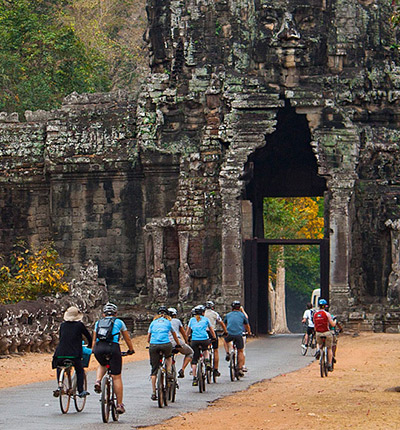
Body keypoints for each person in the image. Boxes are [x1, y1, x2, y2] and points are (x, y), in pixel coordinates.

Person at [92, 302, 135, 415]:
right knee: (116, 377)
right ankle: (119, 405)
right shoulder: (119, 322)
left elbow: (94, 340)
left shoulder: (98, 323)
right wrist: (131, 350)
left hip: (99, 348)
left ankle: (98, 381)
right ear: (116, 313)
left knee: (102, 364)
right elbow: (127, 339)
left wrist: (93, 350)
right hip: (113, 348)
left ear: (103, 314)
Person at [52, 306, 93, 398]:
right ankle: (81, 390)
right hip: (74, 354)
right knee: (79, 370)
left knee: (59, 367)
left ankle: (60, 385)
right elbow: (88, 336)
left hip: (60, 353)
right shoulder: (79, 325)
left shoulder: (62, 325)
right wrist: (90, 345)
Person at [148, 306, 182, 400]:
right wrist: (178, 344)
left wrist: (151, 343)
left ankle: (154, 392)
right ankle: (169, 372)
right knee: (168, 356)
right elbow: (174, 335)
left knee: (154, 370)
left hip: (154, 345)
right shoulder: (168, 322)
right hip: (166, 344)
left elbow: (148, 338)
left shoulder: (153, 323)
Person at [186, 304, 216, 386]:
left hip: (194, 340)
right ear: (203, 313)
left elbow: (188, 331)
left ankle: (195, 378)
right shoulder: (206, 319)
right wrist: (214, 337)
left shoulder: (192, 320)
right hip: (204, 339)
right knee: (205, 350)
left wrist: (187, 339)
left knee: (195, 359)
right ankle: (207, 361)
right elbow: (211, 330)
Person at [223, 300, 251, 377]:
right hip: (239, 335)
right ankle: (240, 368)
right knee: (240, 351)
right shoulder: (242, 315)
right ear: (239, 308)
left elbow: (224, 324)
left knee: (225, 341)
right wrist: (249, 332)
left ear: (232, 308)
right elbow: (247, 325)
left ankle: (227, 353)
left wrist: (225, 331)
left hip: (229, 334)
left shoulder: (228, 315)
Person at [167, 307, 194, 378]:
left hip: (164, 342)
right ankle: (182, 369)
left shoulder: (163, 321)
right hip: (176, 341)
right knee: (190, 352)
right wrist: (186, 342)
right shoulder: (177, 321)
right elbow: (184, 334)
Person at [204, 300, 227, 377]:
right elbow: (221, 323)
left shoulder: (203, 314)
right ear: (213, 307)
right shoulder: (215, 314)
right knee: (215, 350)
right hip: (212, 332)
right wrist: (225, 331)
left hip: (203, 333)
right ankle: (216, 369)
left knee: (204, 349)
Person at [313, 298, 336, 371]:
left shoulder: (315, 314)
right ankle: (329, 363)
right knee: (329, 348)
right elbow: (332, 324)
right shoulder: (327, 314)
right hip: (327, 332)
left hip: (318, 333)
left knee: (319, 344)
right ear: (325, 306)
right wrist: (335, 322)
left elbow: (315, 326)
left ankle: (318, 351)